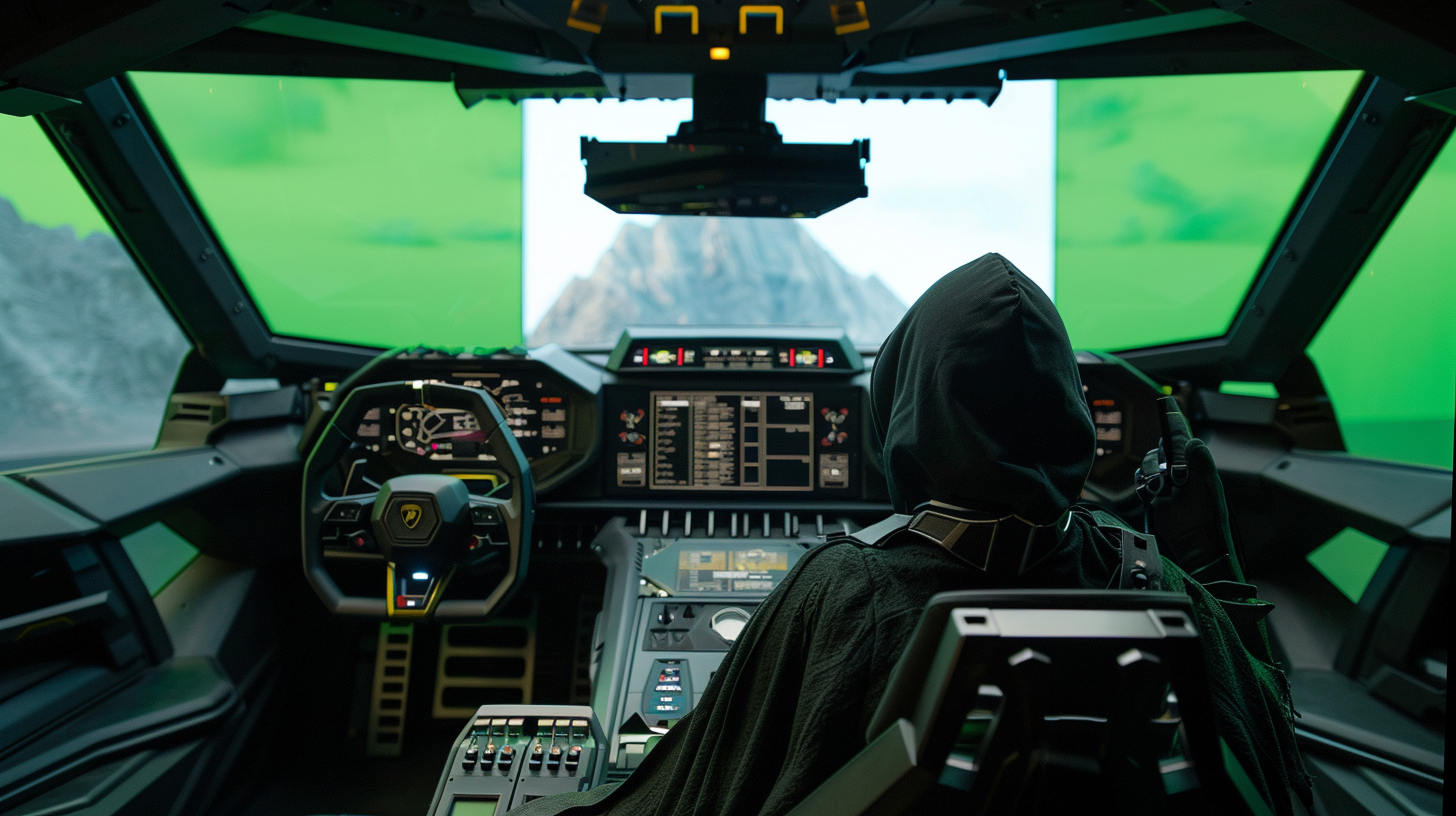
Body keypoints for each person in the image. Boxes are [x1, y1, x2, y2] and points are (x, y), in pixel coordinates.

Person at [513, 253, 1308, 816]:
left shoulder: (845, 591)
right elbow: (1274, 767)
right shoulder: (1162, 594)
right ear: (1070, 413)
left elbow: (694, 792)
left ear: (907, 407)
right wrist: (1207, 562)